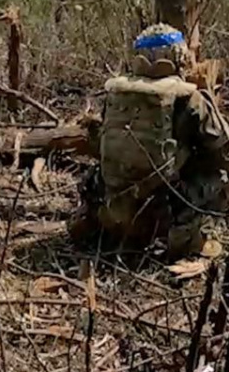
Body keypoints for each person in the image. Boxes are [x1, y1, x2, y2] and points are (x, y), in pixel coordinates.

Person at [70, 23, 227, 259]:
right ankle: (191, 236)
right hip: (160, 216)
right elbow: (221, 145)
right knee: (222, 179)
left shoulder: (116, 93)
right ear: (179, 56)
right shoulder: (191, 98)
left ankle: (93, 221)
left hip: (113, 209)